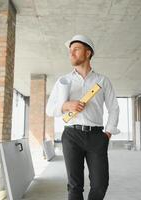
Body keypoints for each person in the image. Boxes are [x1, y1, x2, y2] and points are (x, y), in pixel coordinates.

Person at [46, 34, 119, 200]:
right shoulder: (62, 80)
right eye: (70, 51)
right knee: (74, 186)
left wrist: (107, 134)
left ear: (88, 53)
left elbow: (114, 108)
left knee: (100, 184)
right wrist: (66, 106)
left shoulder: (102, 80)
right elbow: (50, 109)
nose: (71, 53)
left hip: (96, 136)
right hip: (72, 135)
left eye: (76, 49)